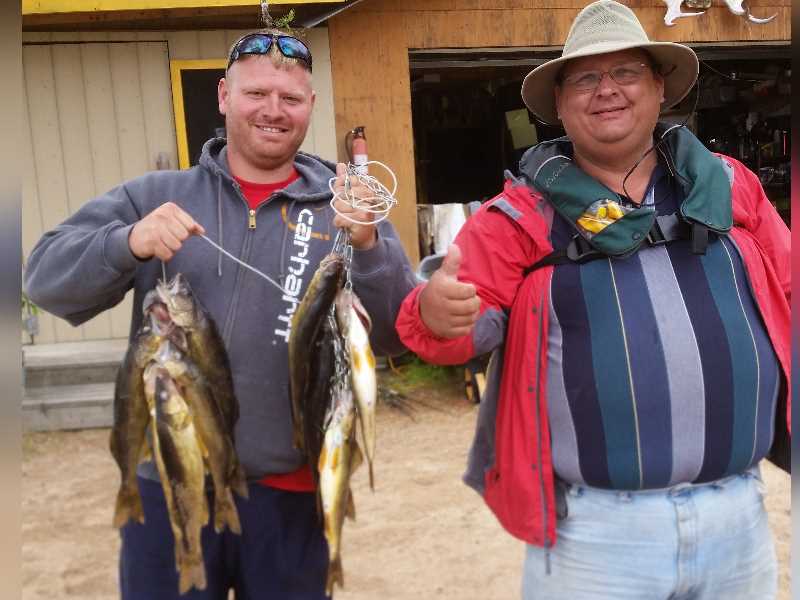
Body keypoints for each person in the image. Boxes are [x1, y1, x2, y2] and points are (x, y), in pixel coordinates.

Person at [395, 2, 790, 598]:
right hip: (596, 540)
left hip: (739, 519)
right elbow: (446, 337)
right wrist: (435, 312)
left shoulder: (732, 186)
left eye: (626, 72)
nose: (607, 90)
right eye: (585, 78)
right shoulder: (520, 216)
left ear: (660, 88)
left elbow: (789, 288)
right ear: (559, 103)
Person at [24, 28, 416, 600]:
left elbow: (399, 329)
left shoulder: (345, 205)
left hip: (291, 494)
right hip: (172, 482)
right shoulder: (154, 195)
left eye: (290, 98)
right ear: (224, 96)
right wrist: (126, 242)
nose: (273, 110)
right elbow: (43, 279)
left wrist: (372, 247)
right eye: (256, 93)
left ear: (310, 105)